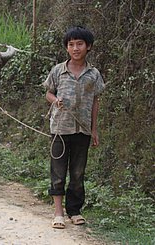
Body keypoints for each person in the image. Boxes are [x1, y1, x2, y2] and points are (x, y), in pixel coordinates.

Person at [42, 26, 105, 229]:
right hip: (60, 129)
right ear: (67, 48)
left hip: (83, 130)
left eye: (79, 44)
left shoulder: (93, 74)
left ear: (88, 47)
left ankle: (75, 211)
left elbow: (96, 102)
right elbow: (48, 93)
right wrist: (55, 100)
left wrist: (94, 130)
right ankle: (58, 212)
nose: (75, 48)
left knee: (78, 173)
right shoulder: (58, 71)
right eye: (71, 45)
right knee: (58, 172)